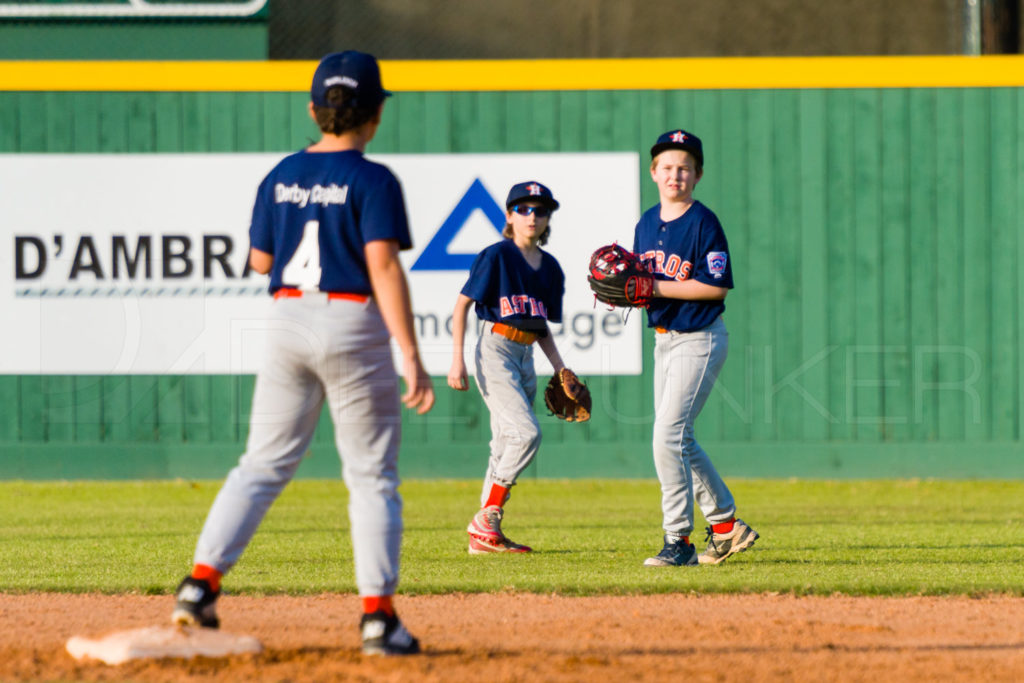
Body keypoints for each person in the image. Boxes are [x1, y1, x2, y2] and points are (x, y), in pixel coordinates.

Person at [170, 50, 434, 656]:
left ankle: (199, 586)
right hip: (350, 320)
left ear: (315, 110)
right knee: (370, 477)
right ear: (375, 115)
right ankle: (378, 619)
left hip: (287, 317)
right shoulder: (373, 179)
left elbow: (260, 261)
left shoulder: (281, 172)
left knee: (261, 463)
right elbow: (383, 265)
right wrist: (411, 352)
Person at [635, 129, 758, 567]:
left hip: (701, 337)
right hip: (663, 341)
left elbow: (715, 288)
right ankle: (726, 525)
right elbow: (644, 289)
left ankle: (678, 541)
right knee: (679, 438)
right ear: (653, 173)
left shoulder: (704, 222)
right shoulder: (646, 224)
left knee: (666, 436)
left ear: (698, 175)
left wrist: (655, 285)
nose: (675, 175)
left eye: (684, 168)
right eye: (667, 167)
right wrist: (626, 293)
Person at [447, 181, 567, 554]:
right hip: (495, 348)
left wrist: (561, 368)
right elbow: (462, 304)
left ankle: (485, 538)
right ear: (510, 216)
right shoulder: (496, 255)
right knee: (525, 434)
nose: (532, 216)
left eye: (540, 210)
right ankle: (489, 513)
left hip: (526, 354)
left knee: (503, 444)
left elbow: (540, 324)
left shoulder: (549, 268)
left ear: (548, 219)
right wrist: (457, 359)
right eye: (524, 209)